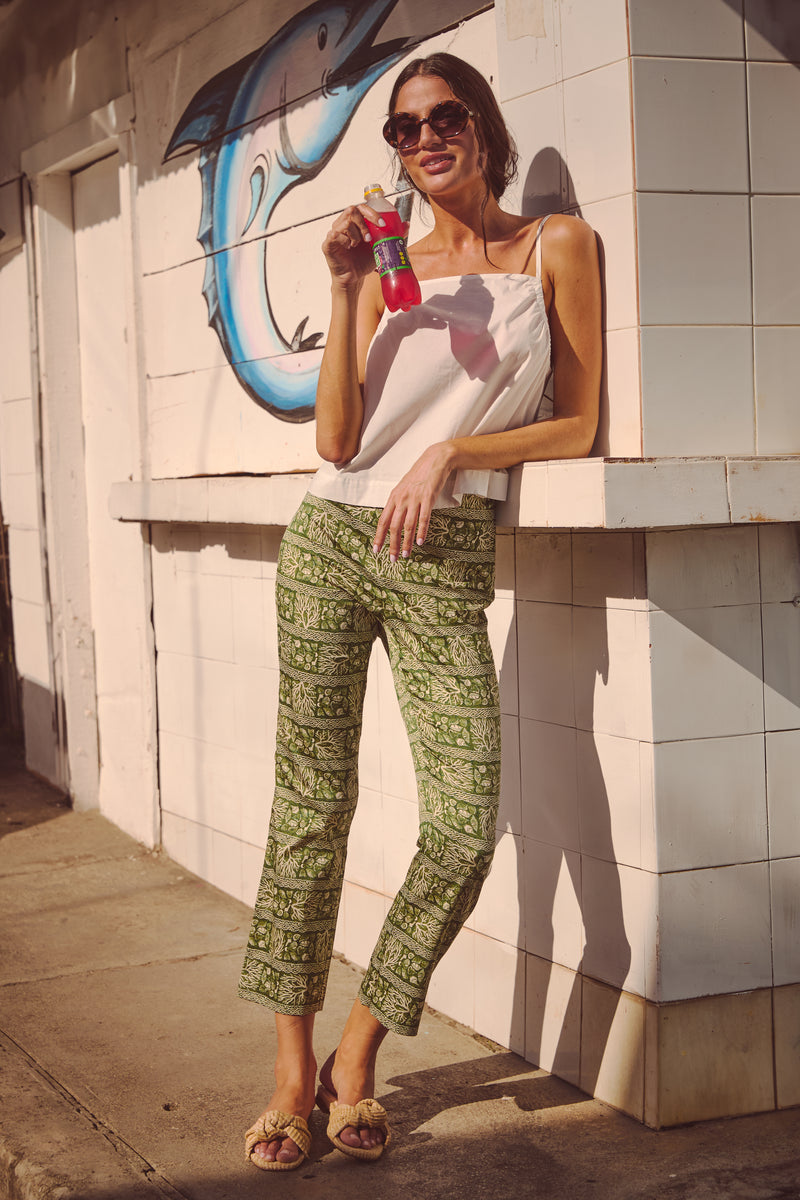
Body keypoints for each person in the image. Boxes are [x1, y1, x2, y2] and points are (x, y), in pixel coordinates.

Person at [239, 51, 602, 1170]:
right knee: (311, 805)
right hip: (333, 538)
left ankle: (361, 1049)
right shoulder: (388, 266)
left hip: (441, 547)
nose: (424, 139)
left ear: (483, 130)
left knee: (459, 818)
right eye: (401, 130)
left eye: (443, 119)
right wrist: (347, 285)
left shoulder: (554, 245)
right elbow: (338, 442)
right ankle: (294, 1072)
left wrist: (453, 450)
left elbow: (575, 421)